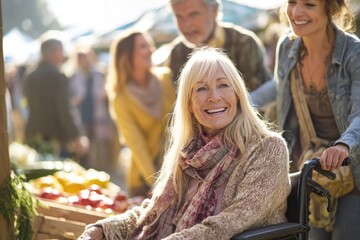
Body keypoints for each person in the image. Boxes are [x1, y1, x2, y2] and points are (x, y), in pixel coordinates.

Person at [79, 47, 290, 240]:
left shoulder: (268, 149)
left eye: (223, 85)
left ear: (237, 94)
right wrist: (102, 229)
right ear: (188, 103)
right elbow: (154, 212)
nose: (214, 97)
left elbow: (233, 221)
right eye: (201, 89)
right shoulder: (189, 152)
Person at [273, 0, 360, 239]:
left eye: (309, 4)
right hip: (313, 171)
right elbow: (277, 88)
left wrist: (343, 145)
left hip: (354, 170)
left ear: (330, 8)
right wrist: (237, 99)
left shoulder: (354, 52)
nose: (296, 12)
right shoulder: (287, 47)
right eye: (292, 2)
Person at [106, 30, 176, 197]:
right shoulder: (121, 98)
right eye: (143, 46)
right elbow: (136, 145)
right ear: (127, 56)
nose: (151, 50)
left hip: (175, 169)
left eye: (150, 45)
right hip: (144, 180)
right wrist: (157, 184)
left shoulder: (165, 78)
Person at [158, 0, 271, 91]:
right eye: (179, 16)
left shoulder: (244, 43)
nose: (186, 24)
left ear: (214, 11)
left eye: (193, 14)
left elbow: (260, 97)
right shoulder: (177, 53)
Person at [24, 31, 88, 158]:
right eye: (61, 51)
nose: (63, 55)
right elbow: (64, 109)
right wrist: (76, 136)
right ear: (53, 52)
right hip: (55, 139)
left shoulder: (30, 75)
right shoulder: (58, 76)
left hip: (32, 134)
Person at [69, 46, 117, 171]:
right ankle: (85, 169)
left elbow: (107, 93)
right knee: (84, 147)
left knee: (100, 145)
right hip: (81, 116)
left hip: (98, 115)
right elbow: (71, 98)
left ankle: (101, 170)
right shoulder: (73, 76)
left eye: (86, 57)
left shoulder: (99, 74)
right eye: (81, 57)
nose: (84, 60)